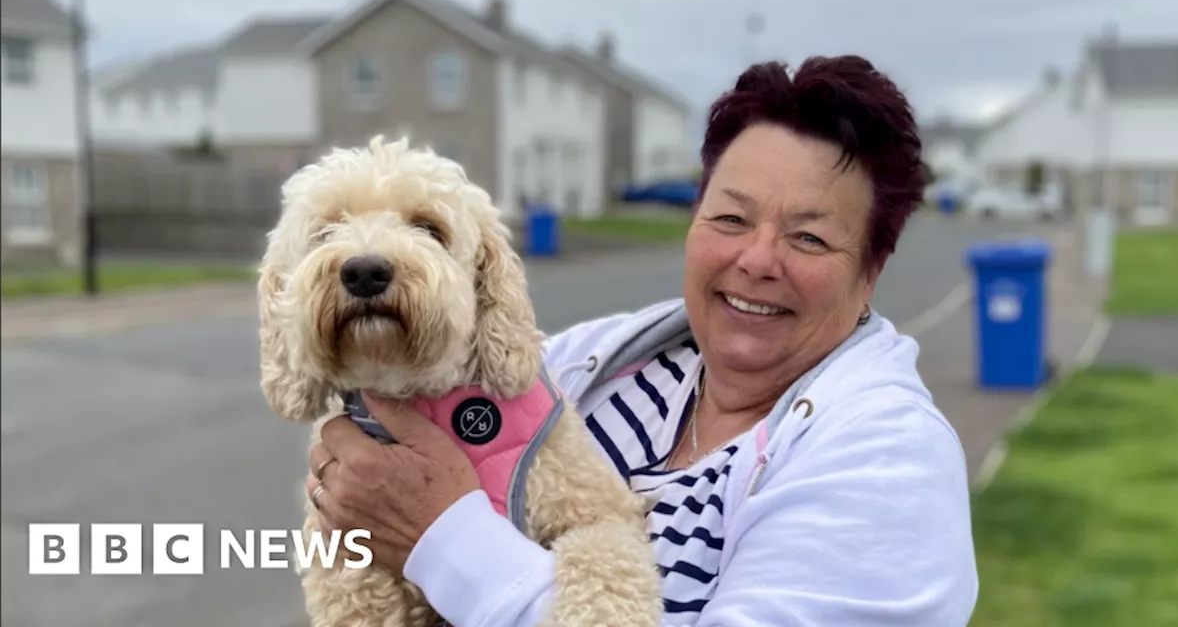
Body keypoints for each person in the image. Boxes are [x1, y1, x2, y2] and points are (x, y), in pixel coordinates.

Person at [307, 55, 980, 626]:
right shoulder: (580, 364)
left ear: (870, 270)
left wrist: (443, 538)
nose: (757, 259)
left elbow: (433, 524)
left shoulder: (891, 462)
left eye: (808, 236)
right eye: (730, 217)